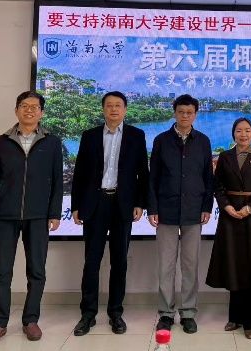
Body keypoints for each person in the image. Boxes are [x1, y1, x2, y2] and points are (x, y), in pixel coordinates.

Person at [0, 91, 63, 346]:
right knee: (1, 271)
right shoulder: (1, 142)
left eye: (34, 107)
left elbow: (57, 182)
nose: (29, 110)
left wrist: (54, 213)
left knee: (37, 271)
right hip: (4, 216)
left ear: (42, 113)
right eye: (24, 106)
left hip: (38, 216)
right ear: (16, 110)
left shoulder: (52, 142)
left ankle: (31, 320)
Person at [71, 91, 149, 336]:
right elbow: (80, 173)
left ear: (125, 109)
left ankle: (116, 313)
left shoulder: (136, 135)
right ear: (103, 109)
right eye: (109, 105)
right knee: (91, 261)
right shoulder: (90, 136)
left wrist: (140, 203)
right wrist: (76, 205)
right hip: (95, 204)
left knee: (119, 261)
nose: (114, 109)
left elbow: (143, 173)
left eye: (118, 105)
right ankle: (88, 314)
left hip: (123, 204)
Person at [148, 94, 214, 334]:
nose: (185, 116)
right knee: (166, 266)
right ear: (174, 113)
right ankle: (166, 313)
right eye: (181, 112)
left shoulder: (203, 141)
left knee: (190, 265)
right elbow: (153, 176)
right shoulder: (161, 140)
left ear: (195, 114)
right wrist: (152, 208)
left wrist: (207, 206)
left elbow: (208, 177)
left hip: (194, 211)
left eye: (190, 112)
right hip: (165, 210)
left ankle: (188, 313)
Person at [206, 117, 251, 340]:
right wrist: (226, 206)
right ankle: (234, 317)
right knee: (233, 264)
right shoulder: (224, 157)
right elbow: (218, 187)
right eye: (239, 131)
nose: (243, 134)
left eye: (247, 131)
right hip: (229, 217)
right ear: (233, 134)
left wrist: (248, 208)